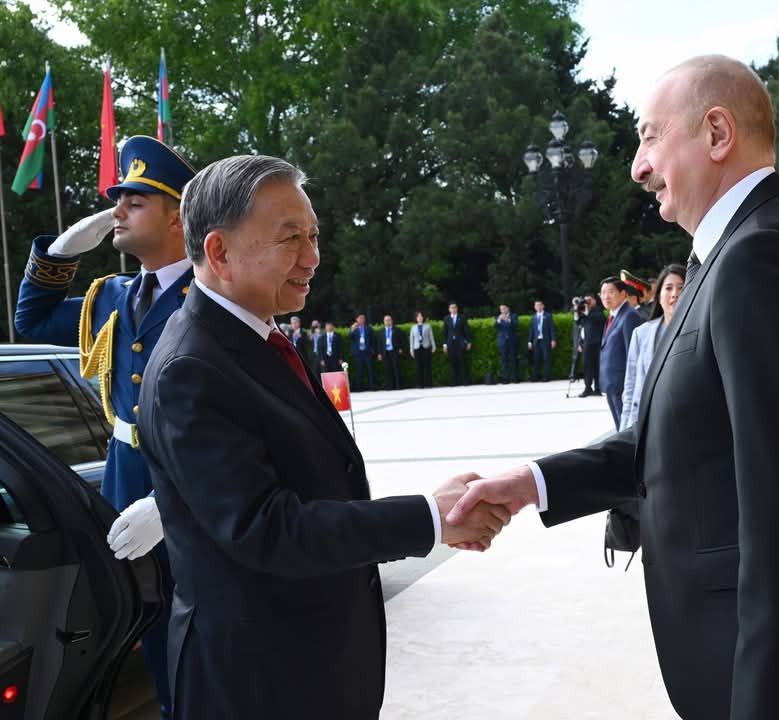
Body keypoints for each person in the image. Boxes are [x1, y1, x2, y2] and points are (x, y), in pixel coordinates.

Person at [447, 55, 779, 720]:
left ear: (717, 133)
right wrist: (530, 483)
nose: (637, 167)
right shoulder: (734, 250)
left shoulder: (766, 253)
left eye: (650, 137)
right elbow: (676, 438)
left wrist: (769, 704)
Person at [135, 154, 508, 719]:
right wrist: (431, 517)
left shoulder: (254, 335)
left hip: (310, 666)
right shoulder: (191, 367)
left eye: (313, 235)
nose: (312, 257)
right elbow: (267, 529)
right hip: (259, 684)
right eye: (291, 238)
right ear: (219, 251)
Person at [13, 135, 197, 720]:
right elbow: (32, 319)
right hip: (122, 481)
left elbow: (239, 429)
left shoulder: (212, 296)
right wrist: (58, 253)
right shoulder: (111, 296)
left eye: (134, 202)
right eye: (117, 199)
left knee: (196, 634)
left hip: (189, 492)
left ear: (178, 218)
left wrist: (170, 502)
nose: (117, 210)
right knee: (144, 627)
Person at [619, 264, 685, 430]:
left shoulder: (703, 332)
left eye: (681, 287)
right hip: (648, 423)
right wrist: (625, 428)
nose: (675, 294)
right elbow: (631, 387)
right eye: (668, 288)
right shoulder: (641, 334)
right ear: (659, 295)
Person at [598, 276, 643, 428]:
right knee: (620, 428)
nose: (606, 296)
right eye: (603, 293)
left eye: (611, 292)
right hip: (612, 385)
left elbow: (634, 354)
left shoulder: (629, 316)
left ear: (623, 294)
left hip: (622, 387)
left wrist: (629, 388)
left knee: (627, 429)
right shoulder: (614, 315)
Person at [578, 294, 605, 397]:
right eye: (586, 300)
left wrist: (587, 312)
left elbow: (599, 319)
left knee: (597, 366)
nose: (587, 302)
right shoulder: (584, 310)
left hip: (597, 343)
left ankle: (598, 388)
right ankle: (588, 387)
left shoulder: (598, 310)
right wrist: (577, 311)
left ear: (594, 300)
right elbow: (579, 324)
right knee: (587, 366)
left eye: (589, 300)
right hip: (587, 343)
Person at [442, 301, 471, 385]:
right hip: (451, 343)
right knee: (453, 363)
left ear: (457, 308)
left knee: (463, 362)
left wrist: (469, 342)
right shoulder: (446, 318)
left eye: (455, 307)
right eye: (452, 307)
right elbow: (445, 332)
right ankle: (454, 382)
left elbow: (466, 330)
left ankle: (465, 381)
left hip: (460, 343)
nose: (453, 309)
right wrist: (445, 344)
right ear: (449, 309)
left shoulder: (462, 317)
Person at [527, 299, 556, 381]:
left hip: (545, 340)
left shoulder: (548, 316)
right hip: (536, 341)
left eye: (539, 305)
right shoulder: (533, 317)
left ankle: (547, 376)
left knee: (546, 358)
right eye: (536, 305)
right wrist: (529, 341)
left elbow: (552, 328)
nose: (538, 307)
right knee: (536, 359)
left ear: (543, 306)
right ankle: (535, 377)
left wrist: (553, 339)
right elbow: (532, 330)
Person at [349, 313, 376, 390]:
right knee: (358, 370)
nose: (362, 319)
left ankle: (372, 386)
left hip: (367, 352)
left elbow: (373, 340)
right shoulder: (354, 328)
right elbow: (350, 337)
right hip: (358, 353)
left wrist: (372, 350)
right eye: (360, 318)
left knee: (370, 370)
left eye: (363, 318)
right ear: (357, 319)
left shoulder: (369, 328)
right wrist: (352, 329)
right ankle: (359, 388)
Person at [378, 314, 404, 390]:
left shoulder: (397, 330)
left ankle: (398, 386)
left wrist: (400, 348)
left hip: (394, 351)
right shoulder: (381, 331)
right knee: (387, 370)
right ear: (384, 322)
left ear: (392, 321)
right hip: (385, 352)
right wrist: (379, 353)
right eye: (386, 320)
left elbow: (401, 340)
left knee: (396, 369)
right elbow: (379, 343)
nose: (388, 321)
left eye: (389, 320)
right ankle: (389, 386)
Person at [411, 310, 435, 388]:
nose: (420, 318)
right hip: (417, 348)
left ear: (423, 317)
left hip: (426, 347)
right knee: (418, 367)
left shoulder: (428, 326)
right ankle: (419, 384)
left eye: (421, 316)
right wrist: (411, 350)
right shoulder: (413, 327)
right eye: (418, 316)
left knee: (427, 366)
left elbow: (431, 337)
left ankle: (428, 384)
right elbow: (411, 340)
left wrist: (433, 346)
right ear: (416, 318)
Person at [494, 303, 519, 383]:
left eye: (503, 308)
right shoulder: (498, 317)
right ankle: (506, 378)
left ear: (508, 308)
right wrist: (498, 320)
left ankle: (515, 378)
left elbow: (515, 324)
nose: (502, 310)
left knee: (513, 359)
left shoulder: (513, 316)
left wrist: (508, 319)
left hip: (512, 341)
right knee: (504, 360)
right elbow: (495, 327)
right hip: (502, 341)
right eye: (501, 309)